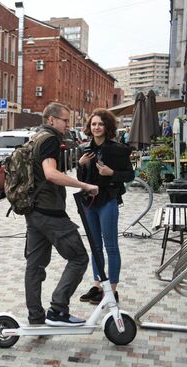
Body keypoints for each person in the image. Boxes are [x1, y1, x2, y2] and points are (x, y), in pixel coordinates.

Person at [24, 102, 99, 327]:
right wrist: (84, 185)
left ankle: (36, 318)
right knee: (79, 258)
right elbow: (51, 174)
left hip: (33, 211)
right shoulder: (50, 139)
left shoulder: (36, 137)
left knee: (35, 266)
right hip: (50, 212)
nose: (68, 125)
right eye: (65, 120)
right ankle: (58, 309)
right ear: (51, 120)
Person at [77, 109, 134, 305]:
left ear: (107, 126)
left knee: (111, 246)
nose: (96, 127)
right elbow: (81, 180)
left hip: (108, 201)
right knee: (95, 247)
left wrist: (111, 173)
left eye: (100, 124)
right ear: (89, 127)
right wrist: (81, 165)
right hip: (89, 203)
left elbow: (129, 176)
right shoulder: (85, 149)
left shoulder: (118, 149)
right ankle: (97, 286)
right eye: (93, 124)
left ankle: (113, 290)